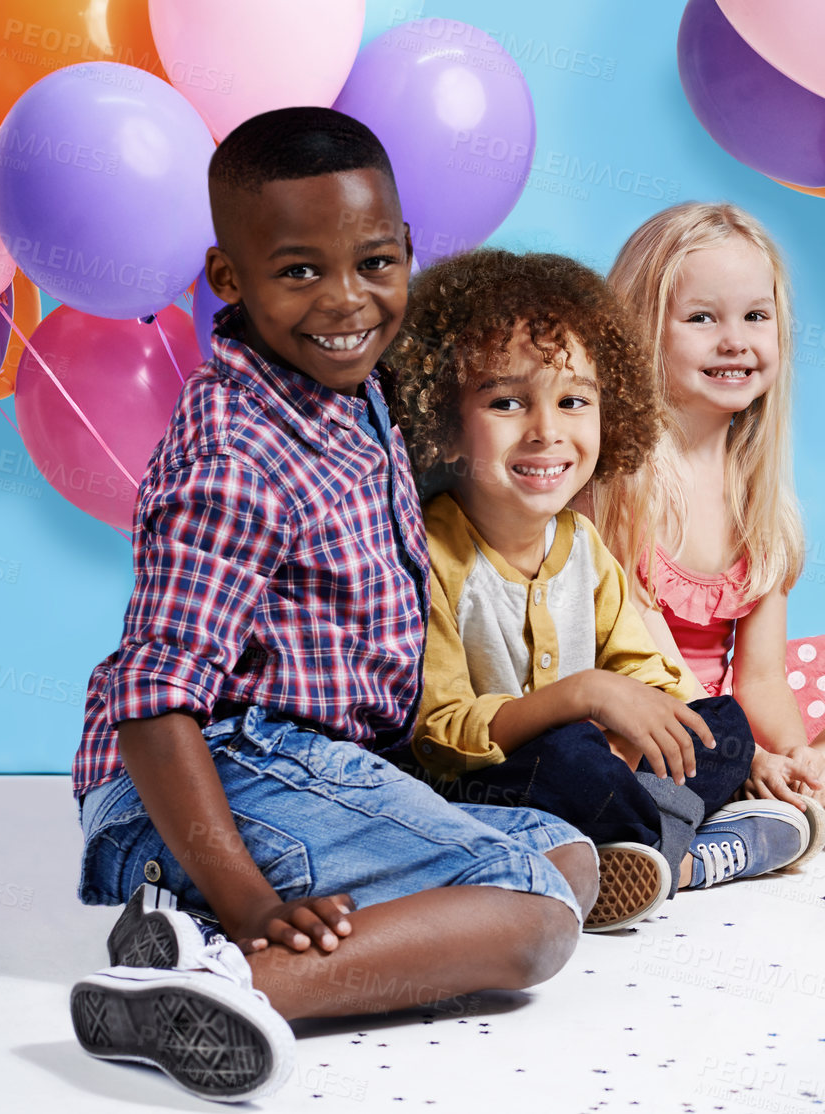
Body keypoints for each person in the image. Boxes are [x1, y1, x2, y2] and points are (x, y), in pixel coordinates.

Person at [67, 108, 592, 1103]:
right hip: (219, 771)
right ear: (229, 280)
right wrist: (252, 899)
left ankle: (182, 922)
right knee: (532, 917)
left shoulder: (348, 387)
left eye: (377, 262)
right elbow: (150, 703)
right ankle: (224, 977)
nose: (348, 300)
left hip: (306, 766)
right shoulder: (235, 455)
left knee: (561, 853)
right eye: (300, 271)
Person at [389, 248, 812, 929]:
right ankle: (689, 856)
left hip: (600, 761)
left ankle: (639, 849)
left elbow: (649, 670)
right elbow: (440, 732)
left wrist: (649, 719)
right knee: (570, 758)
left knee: (724, 727)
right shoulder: (429, 555)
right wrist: (583, 698)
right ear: (443, 422)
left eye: (573, 401)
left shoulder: (582, 546)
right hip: (497, 779)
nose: (546, 431)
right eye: (506, 402)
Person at [591, 202, 825, 847]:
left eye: (756, 316)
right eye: (702, 318)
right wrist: (746, 754)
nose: (736, 341)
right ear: (641, 331)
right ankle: (754, 798)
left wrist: (787, 747)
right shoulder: (620, 482)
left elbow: (759, 677)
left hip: (738, 714)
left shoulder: (761, 497)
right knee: (631, 753)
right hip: (652, 717)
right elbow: (648, 668)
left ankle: (797, 791)